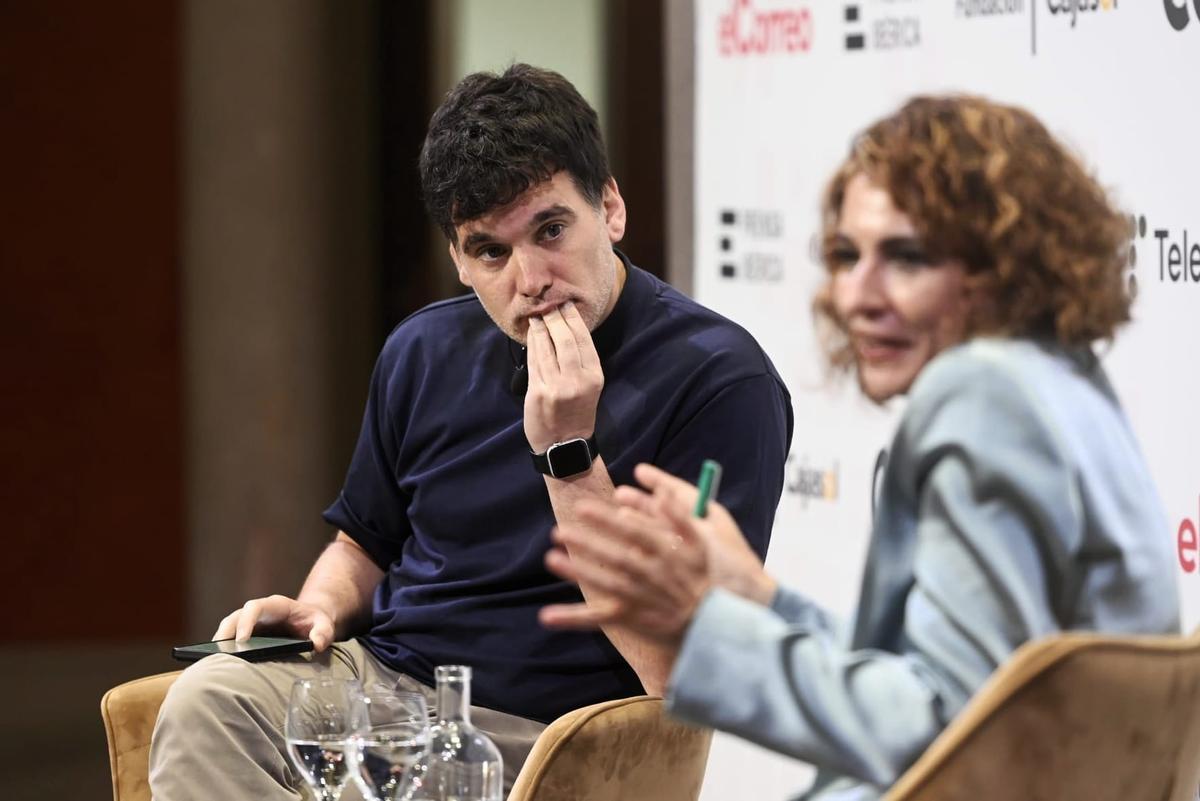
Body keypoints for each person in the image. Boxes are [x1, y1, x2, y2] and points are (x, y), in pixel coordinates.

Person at [149, 64, 793, 800]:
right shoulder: (421, 351)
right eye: (491, 250)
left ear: (610, 208)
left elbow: (680, 671)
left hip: (549, 729)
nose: (531, 279)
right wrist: (321, 603)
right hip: (389, 686)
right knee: (208, 702)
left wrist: (570, 456)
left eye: (551, 229)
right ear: (459, 259)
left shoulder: (719, 379)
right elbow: (363, 541)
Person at [540, 94, 1180, 800]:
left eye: (907, 258)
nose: (858, 296)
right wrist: (762, 599)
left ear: (1003, 264)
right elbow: (959, 678)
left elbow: (946, 732)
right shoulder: (1061, 379)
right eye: (847, 255)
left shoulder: (981, 395)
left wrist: (704, 626)